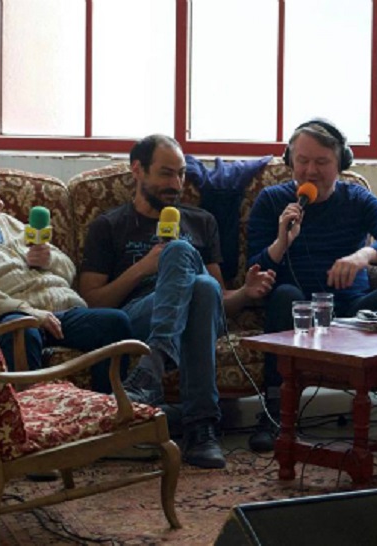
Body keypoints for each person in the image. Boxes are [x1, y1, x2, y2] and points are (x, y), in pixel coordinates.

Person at [79, 134, 276, 469]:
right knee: (191, 269)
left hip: (200, 312)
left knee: (200, 282)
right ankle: (202, 430)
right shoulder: (109, 225)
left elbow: (218, 299)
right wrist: (144, 267)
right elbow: (93, 302)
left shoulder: (202, 221)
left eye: (181, 174)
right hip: (140, 313)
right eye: (166, 173)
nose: (176, 184)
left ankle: (153, 368)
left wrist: (245, 292)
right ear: (137, 170)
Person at [246, 118, 377, 452]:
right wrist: (281, 241)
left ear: (341, 163)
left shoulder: (357, 198)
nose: (310, 171)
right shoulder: (271, 201)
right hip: (298, 310)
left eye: (321, 162)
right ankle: (275, 412)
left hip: (351, 309)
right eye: (302, 160)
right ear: (290, 160)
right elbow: (254, 269)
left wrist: (362, 256)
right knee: (285, 295)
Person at [0, 157, 133, 394]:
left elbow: (69, 270)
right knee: (21, 330)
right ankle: (27, 413)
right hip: (17, 317)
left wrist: (49, 259)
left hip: (62, 312)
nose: (1, 204)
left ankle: (107, 406)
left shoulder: (7, 223)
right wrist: (30, 312)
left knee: (115, 322)